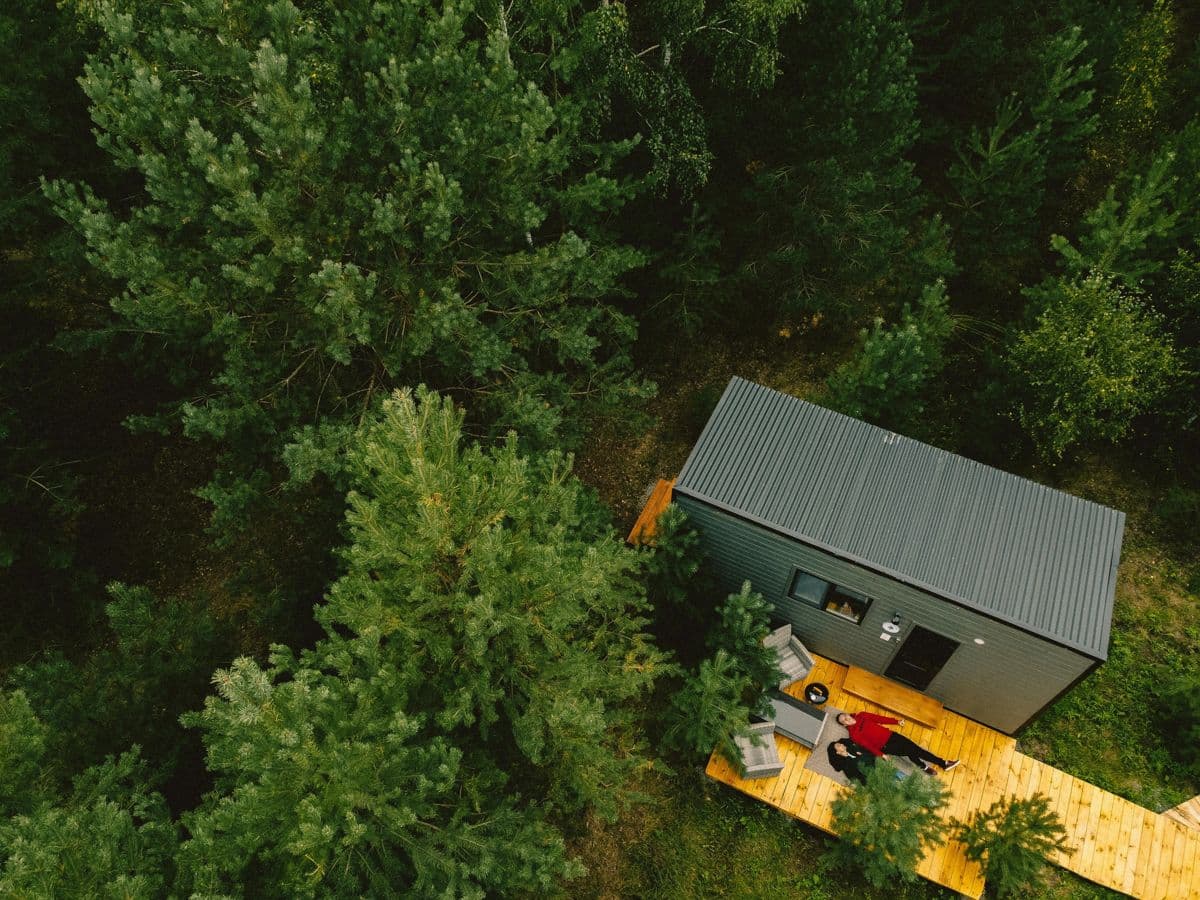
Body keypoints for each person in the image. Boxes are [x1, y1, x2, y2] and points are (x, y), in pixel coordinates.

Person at [835, 711, 959, 775]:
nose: (847, 718)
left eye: (845, 716)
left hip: (892, 735)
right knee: (915, 750)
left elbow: (879, 718)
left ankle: (923, 766)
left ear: (847, 714)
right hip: (886, 746)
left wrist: (896, 721)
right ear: (844, 724)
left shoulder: (862, 715)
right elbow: (868, 745)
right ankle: (943, 763)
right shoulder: (854, 735)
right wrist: (881, 754)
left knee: (913, 749)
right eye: (844, 720)